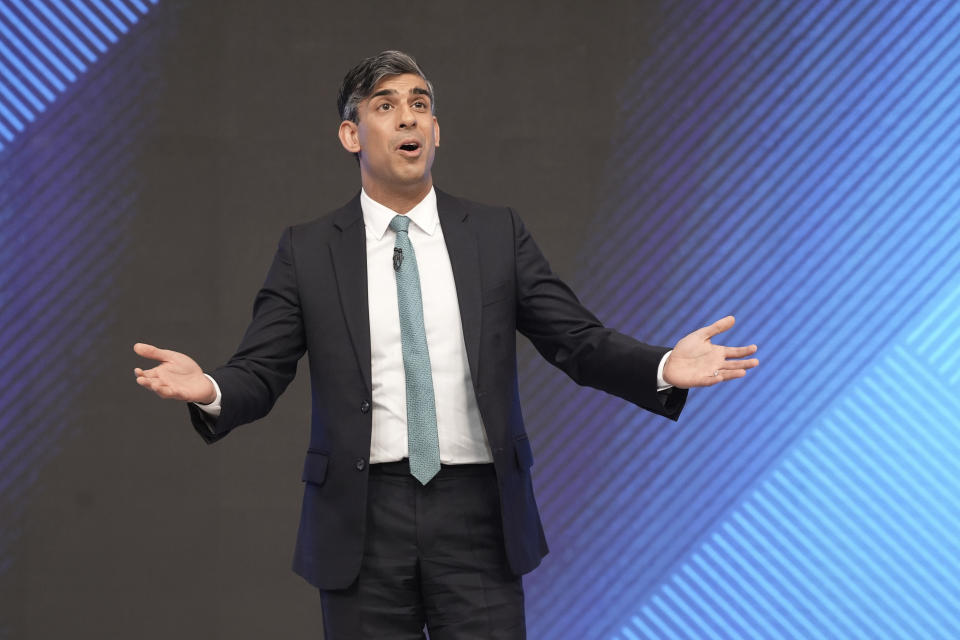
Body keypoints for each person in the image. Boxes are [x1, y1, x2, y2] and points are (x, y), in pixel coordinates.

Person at [133, 50, 758, 639]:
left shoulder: (494, 233)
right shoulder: (309, 250)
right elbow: (261, 370)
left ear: (436, 131)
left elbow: (576, 340)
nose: (408, 116)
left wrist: (663, 365)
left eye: (421, 104)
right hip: (361, 518)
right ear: (351, 134)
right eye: (385, 104)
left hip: (477, 516)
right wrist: (210, 388)